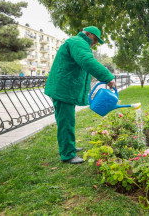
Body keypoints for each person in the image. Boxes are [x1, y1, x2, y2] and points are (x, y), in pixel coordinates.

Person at [45, 26, 116, 164]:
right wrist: (108, 76)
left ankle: (69, 147)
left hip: (64, 88)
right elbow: (87, 61)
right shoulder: (78, 42)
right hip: (63, 89)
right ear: (88, 34)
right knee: (66, 121)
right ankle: (67, 154)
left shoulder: (77, 42)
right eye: (94, 39)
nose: (94, 43)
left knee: (67, 120)